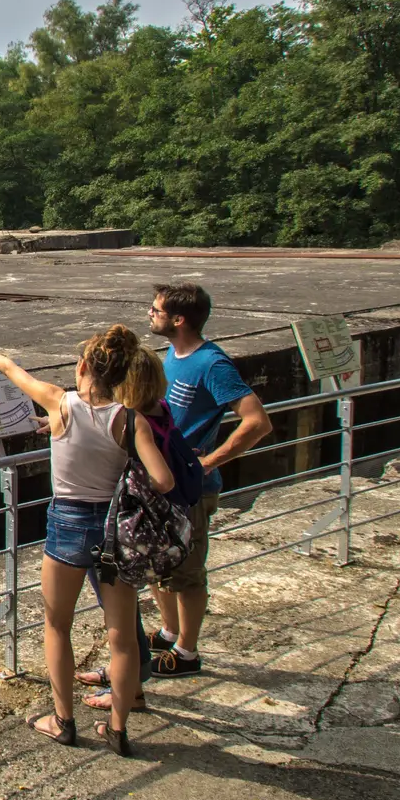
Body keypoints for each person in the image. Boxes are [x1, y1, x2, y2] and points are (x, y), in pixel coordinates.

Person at [0, 325, 173, 756]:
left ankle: (63, 719)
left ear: (85, 366)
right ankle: (119, 729)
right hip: (114, 529)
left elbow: (11, 369)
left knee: (57, 625)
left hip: (69, 524)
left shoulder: (59, 402)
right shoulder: (130, 419)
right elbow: (162, 480)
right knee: (123, 636)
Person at [144, 281, 272, 678]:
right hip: (160, 482)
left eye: (156, 310)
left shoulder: (212, 364)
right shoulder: (173, 354)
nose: (150, 314)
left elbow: (257, 421)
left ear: (178, 320)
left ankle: (187, 652)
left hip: (190, 490)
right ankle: (169, 631)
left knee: (187, 572)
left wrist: (210, 461)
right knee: (157, 566)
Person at [78, 345, 172, 712]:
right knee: (126, 610)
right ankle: (131, 674)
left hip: (120, 526)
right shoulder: (158, 412)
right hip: (146, 526)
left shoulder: (134, 421)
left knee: (119, 614)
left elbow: (156, 475)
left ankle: (130, 689)